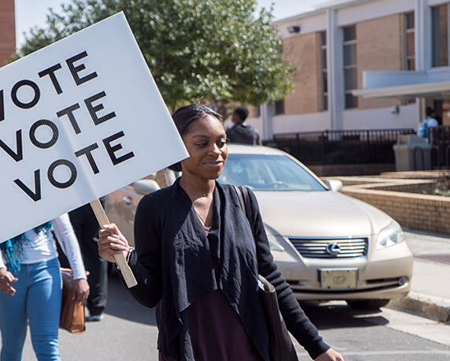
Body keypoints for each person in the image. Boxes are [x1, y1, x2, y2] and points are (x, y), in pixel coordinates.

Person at [99, 104, 343, 361]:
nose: (215, 152)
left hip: (251, 347)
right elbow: (151, 294)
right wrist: (124, 258)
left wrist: (317, 346)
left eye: (221, 142)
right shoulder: (155, 207)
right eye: (202, 143)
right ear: (178, 148)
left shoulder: (244, 201)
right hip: (189, 349)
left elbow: (271, 278)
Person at [0, 210, 89, 361]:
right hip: (7, 272)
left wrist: (80, 275)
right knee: (12, 345)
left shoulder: (47, 186)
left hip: (46, 269)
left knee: (48, 346)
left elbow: (65, 231)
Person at [68, 200, 108, 321]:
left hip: (71, 196)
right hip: (94, 195)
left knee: (70, 248)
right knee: (94, 249)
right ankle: (95, 307)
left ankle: (72, 306)